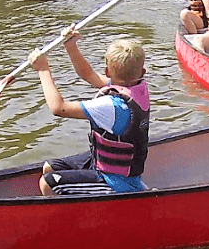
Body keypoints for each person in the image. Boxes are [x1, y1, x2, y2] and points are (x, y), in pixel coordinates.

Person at [28, 28, 150, 196]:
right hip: (107, 166)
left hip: (116, 181)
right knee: (49, 167)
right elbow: (89, 74)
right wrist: (71, 46)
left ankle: (72, 218)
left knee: (47, 183)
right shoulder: (137, 87)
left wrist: (43, 70)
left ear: (107, 71)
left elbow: (58, 107)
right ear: (142, 72)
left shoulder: (111, 106)